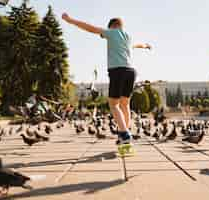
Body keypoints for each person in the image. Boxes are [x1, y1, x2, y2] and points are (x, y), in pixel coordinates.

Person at [62, 13, 151, 145]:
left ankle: (124, 134)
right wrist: (146, 45)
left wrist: (70, 20)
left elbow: (90, 28)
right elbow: (137, 45)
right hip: (131, 72)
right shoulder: (128, 37)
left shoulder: (112, 32)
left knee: (113, 104)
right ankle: (124, 133)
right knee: (125, 104)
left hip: (118, 71)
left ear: (112, 26)